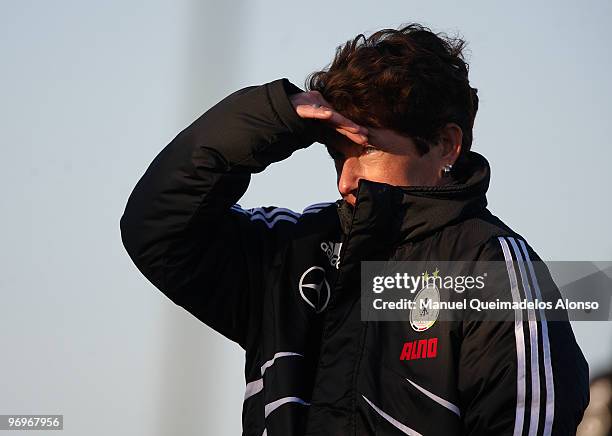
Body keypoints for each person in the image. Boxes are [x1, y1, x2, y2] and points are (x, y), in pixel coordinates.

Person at [120, 23, 589, 435]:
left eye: (364, 151)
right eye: (337, 156)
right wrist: (277, 114)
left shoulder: (496, 269)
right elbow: (159, 228)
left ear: (446, 145)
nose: (345, 180)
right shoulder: (291, 249)